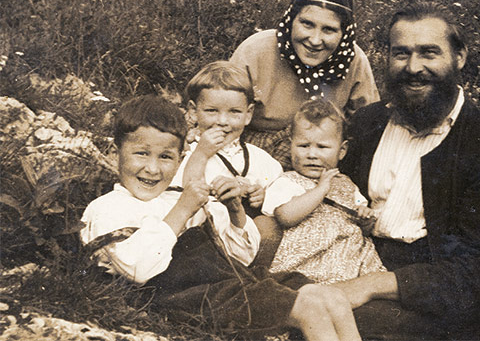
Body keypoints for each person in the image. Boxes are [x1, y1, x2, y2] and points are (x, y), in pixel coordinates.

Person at [80, 94, 362, 341]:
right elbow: (139, 269)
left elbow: (242, 255)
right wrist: (183, 210)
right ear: (114, 153)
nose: (152, 169)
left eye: (165, 157)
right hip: (181, 297)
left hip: (228, 283)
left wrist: (235, 211)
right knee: (309, 306)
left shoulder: (177, 196)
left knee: (330, 296)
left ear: (180, 160)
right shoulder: (108, 208)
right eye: (141, 154)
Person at [336, 2, 480, 340]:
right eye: (401, 53)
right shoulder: (368, 123)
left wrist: (372, 285)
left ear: (459, 57)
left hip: (431, 296)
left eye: (429, 53)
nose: (413, 67)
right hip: (349, 263)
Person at [230, 0, 379, 170]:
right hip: (250, 152)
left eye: (329, 30)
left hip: (317, 160)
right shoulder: (255, 50)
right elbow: (221, 112)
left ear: (344, 33)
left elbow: (367, 129)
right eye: (307, 24)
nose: (315, 40)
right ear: (292, 20)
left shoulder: (354, 61)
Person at [262, 99, 386, 284]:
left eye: (322, 147)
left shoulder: (347, 184)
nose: (312, 154)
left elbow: (361, 223)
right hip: (310, 258)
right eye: (303, 146)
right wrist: (320, 190)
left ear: (342, 151)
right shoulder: (287, 181)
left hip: (351, 256)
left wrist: (365, 219)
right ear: (290, 146)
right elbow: (285, 216)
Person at [171, 60, 283, 265]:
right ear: (194, 111)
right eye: (212, 111)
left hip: (243, 241)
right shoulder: (187, 152)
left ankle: (254, 277)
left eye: (234, 112)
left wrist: (263, 196)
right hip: (202, 241)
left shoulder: (258, 157)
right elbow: (185, 188)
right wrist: (202, 153)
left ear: (248, 114)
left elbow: (279, 186)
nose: (223, 121)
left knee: (268, 226)